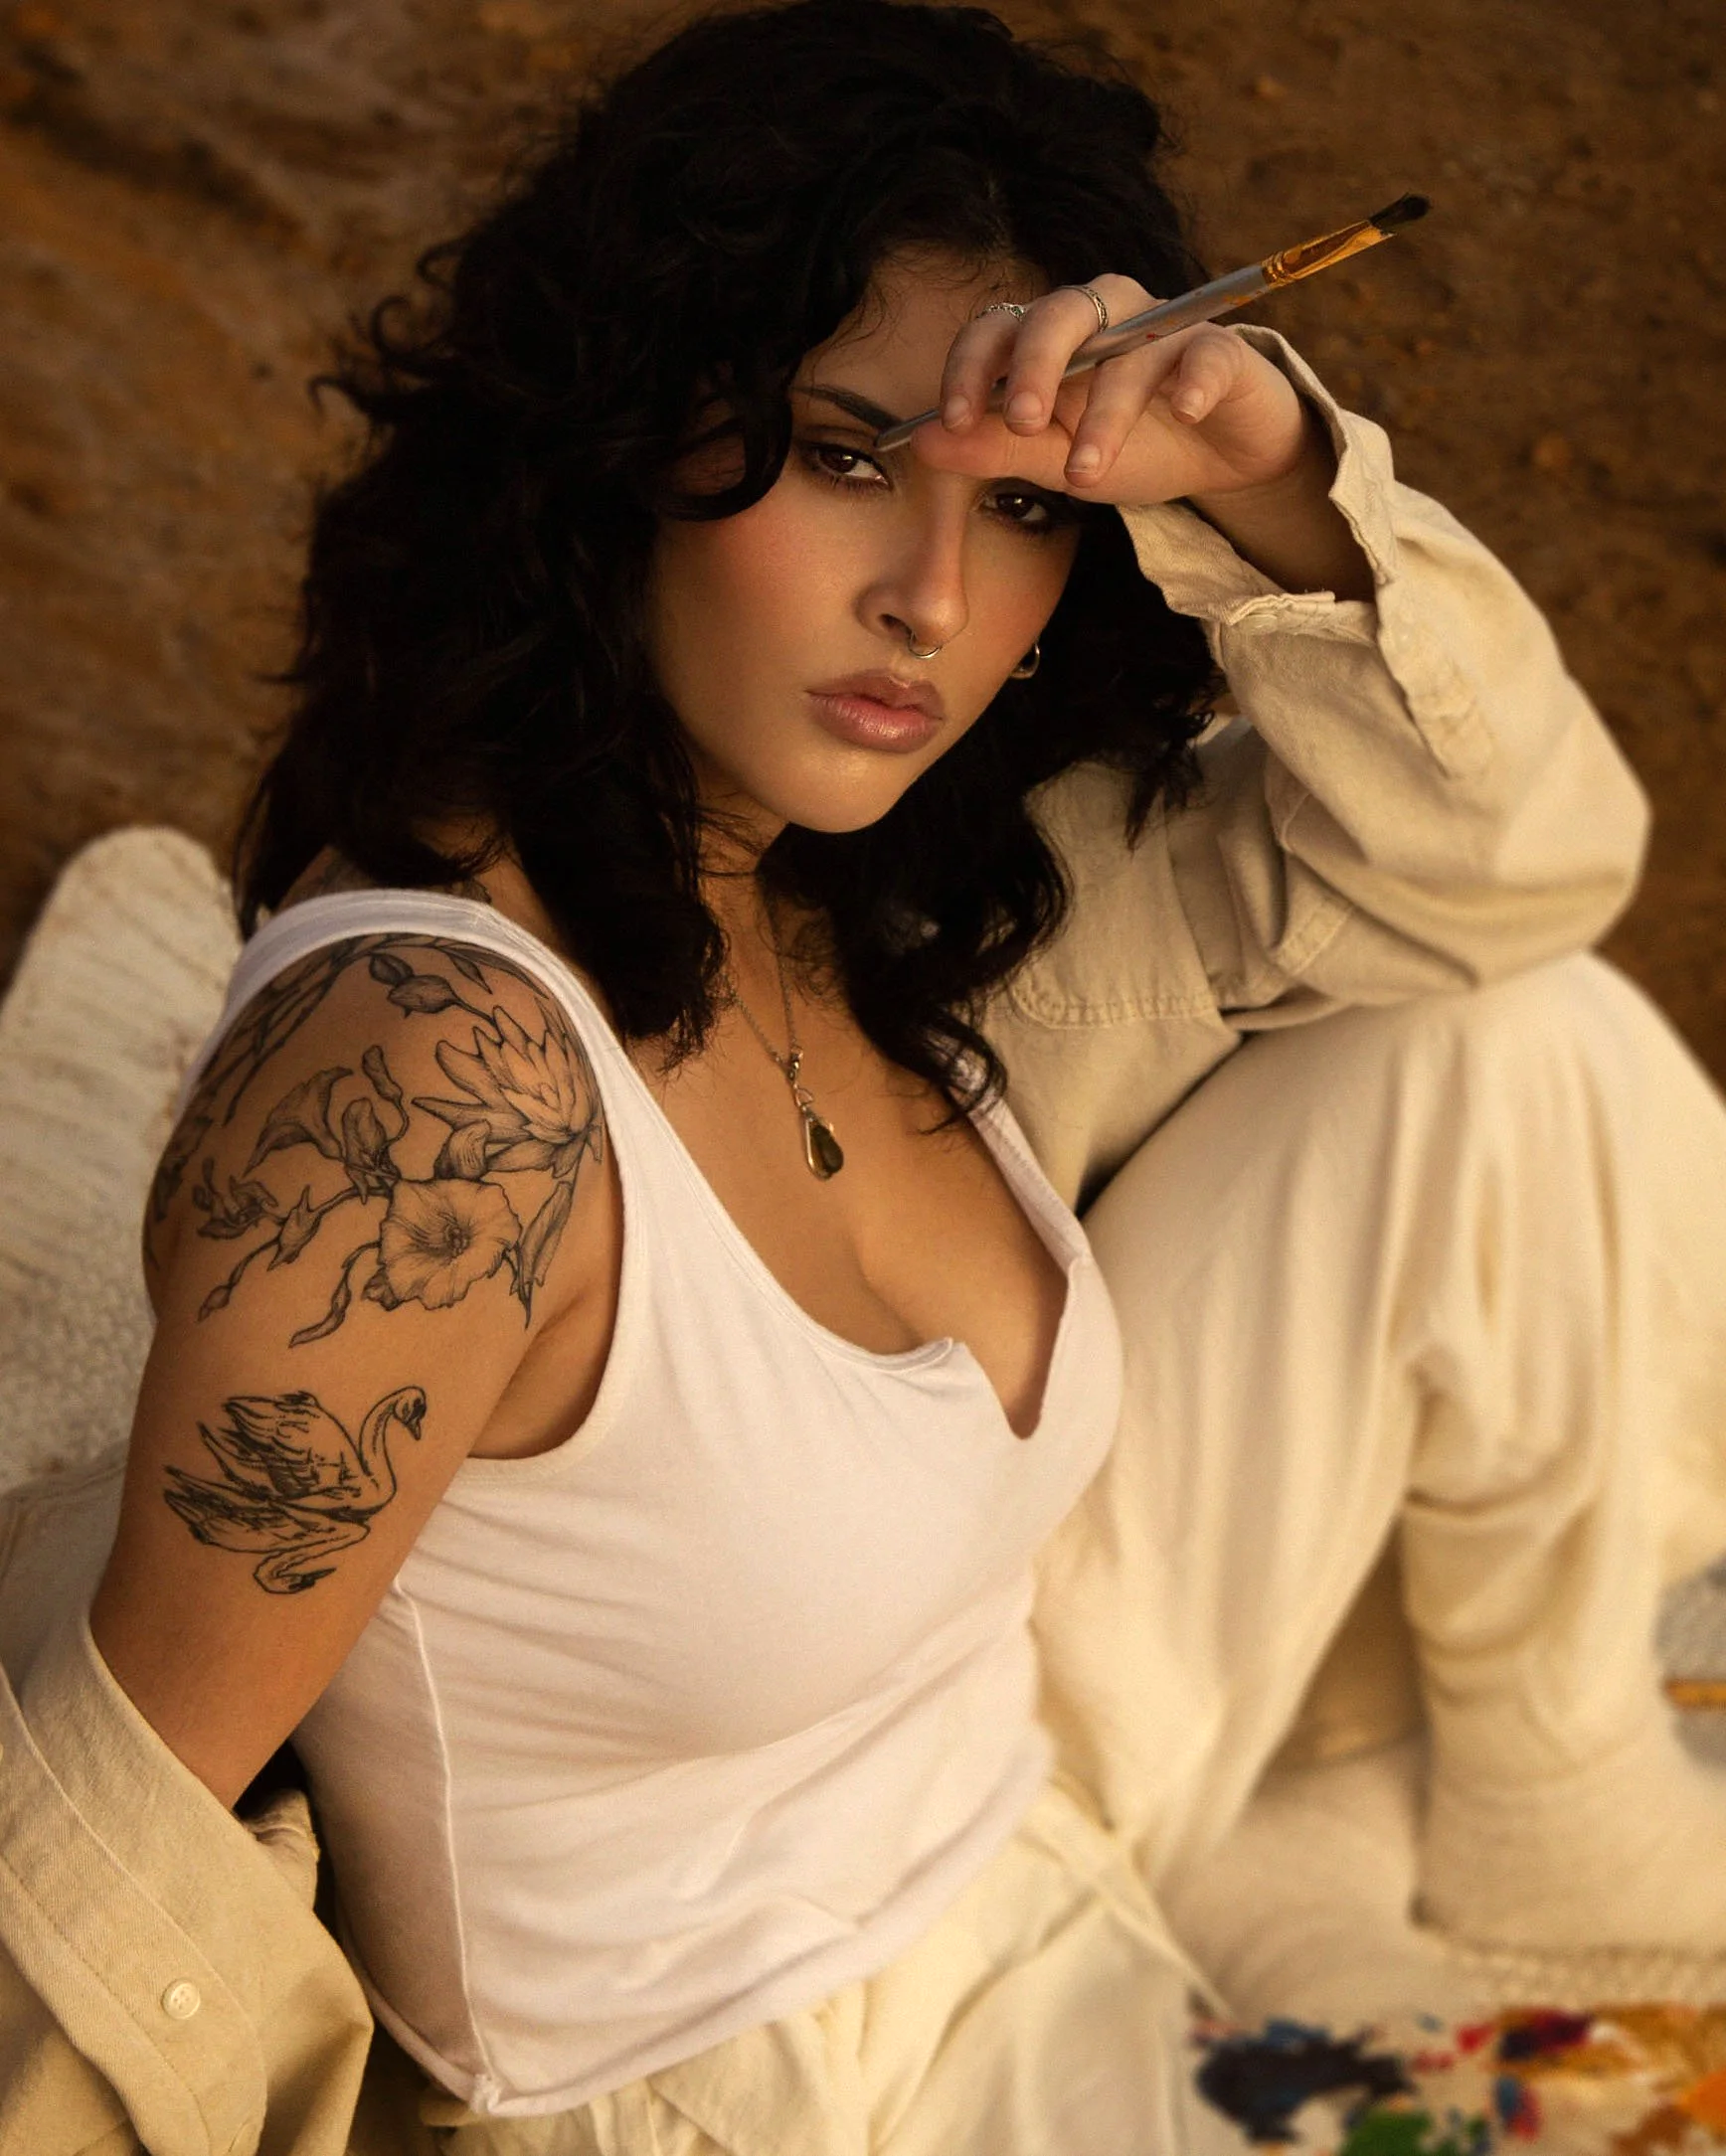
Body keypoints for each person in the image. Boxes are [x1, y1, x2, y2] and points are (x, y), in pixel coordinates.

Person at [14, 0, 1714, 2148]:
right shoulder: (439, 1090)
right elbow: (110, 1851)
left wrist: (1270, 463)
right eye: (841, 457)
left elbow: (1516, 870)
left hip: (1035, 1807)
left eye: (1014, 502)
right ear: (623, 434)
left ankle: (1536, 1783)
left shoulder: (890, 888)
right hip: (744, 2084)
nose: (930, 597)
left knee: (1507, 1034)